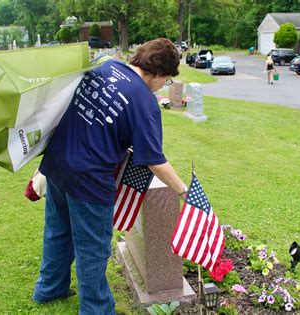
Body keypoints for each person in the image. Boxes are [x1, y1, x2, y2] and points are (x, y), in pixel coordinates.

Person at [32, 38, 188, 314]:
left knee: (58, 232)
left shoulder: (102, 66)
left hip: (57, 162)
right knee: (92, 250)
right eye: (165, 80)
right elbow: (154, 159)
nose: (162, 85)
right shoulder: (144, 101)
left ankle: (49, 289)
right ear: (159, 73)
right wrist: (182, 190)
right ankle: (96, 309)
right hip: (89, 180)